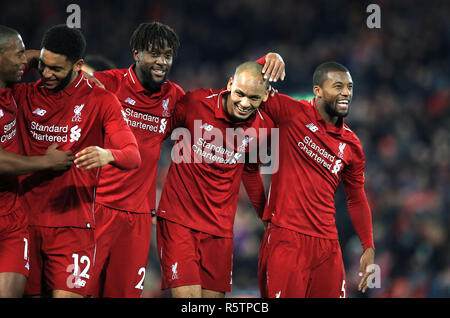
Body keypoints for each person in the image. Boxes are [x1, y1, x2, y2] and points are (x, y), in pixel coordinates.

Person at [83, 22, 284, 298]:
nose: (161, 61)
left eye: (167, 55)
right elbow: (69, 82)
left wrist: (266, 217)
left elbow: (249, 164)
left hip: (176, 224)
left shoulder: (181, 100)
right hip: (125, 212)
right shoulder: (122, 87)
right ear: (137, 53)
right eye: (155, 54)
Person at [12, 24, 141, 298]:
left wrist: (109, 154)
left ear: (78, 66)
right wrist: (32, 55)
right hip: (24, 224)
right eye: (43, 65)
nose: (46, 74)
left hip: (72, 227)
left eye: (56, 69)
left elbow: (132, 155)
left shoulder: (101, 100)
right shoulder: (23, 95)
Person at [156, 60, 278, 298]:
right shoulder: (196, 103)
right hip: (180, 222)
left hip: (220, 230)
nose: (244, 103)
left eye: (253, 98)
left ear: (264, 97)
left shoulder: (264, 127)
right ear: (230, 83)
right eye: (239, 94)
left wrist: (266, 217)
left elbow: (251, 172)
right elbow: (153, 138)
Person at [257, 61, 375, 298]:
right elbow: (245, 84)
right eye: (338, 86)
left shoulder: (351, 145)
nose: (346, 93)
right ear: (318, 90)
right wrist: (266, 61)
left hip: (328, 246)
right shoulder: (291, 112)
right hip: (287, 237)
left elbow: (356, 199)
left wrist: (368, 246)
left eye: (350, 87)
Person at [0, 25, 75, 298]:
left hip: (12, 219)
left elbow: (34, 56)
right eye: (18, 55)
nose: (26, 61)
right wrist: (45, 163)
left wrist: (80, 73)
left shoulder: (8, 87)